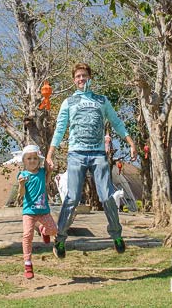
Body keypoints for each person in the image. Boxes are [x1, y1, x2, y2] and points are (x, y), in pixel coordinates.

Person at [46, 62, 136, 259]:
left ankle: (117, 235)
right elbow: (60, 129)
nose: (81, 79)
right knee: (72, 198)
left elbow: (116, 122)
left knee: (107, 196)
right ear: (74, 80)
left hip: (98, 154)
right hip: (76, 154)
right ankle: (60, 239)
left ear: (90, 77)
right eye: (78, 76)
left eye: (84, 75)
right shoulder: (68, 102)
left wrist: (130, 142)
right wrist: (50, 154)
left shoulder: (101, 101)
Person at [16, 144, 57, 279]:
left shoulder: (41, 172)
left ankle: (43, 231)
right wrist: (21, 185)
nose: (32, 161)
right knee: (27, 236)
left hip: (43, 210)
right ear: (24, 161)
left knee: (53, 230)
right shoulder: (23, 175)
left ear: (38, 160)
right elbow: (21, 195)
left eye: (35, 158)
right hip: (29, 212)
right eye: (29, 158)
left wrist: (50, 171)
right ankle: (28, 263)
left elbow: (46, 182)